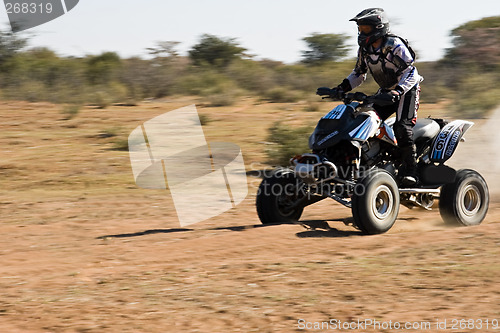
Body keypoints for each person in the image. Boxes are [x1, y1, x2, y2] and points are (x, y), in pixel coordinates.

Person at [317, 8, 423, 185]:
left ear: (379, 27)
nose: (361, 32)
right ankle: (367, 164)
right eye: (360, 29)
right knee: (363, 122)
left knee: (402, 127)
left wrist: (398, 91)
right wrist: (340, 88)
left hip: (406, 90)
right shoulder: (365, 49)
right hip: (386, 92)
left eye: (365, 28)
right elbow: (359, 73)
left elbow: (411, 72)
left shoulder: (394, 45)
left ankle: (412, 172)